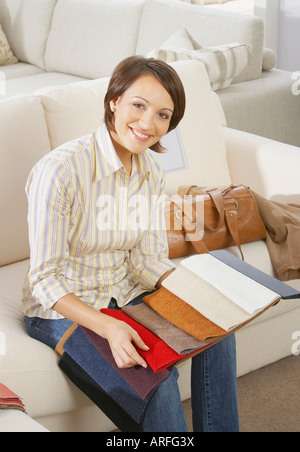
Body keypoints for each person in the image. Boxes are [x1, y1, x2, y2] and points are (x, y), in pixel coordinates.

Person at [23, 56, 239, 432]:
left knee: (218, 324)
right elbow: (45, 280)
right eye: (138, 105)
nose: (147, 124)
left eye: (162, 115)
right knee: (155, 380)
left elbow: (146, 259)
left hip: (124, 291)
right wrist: (107, 327)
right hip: (64, 308)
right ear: (114, 101)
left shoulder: (151, 170)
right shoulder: (60, 171)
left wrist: (193, 291)